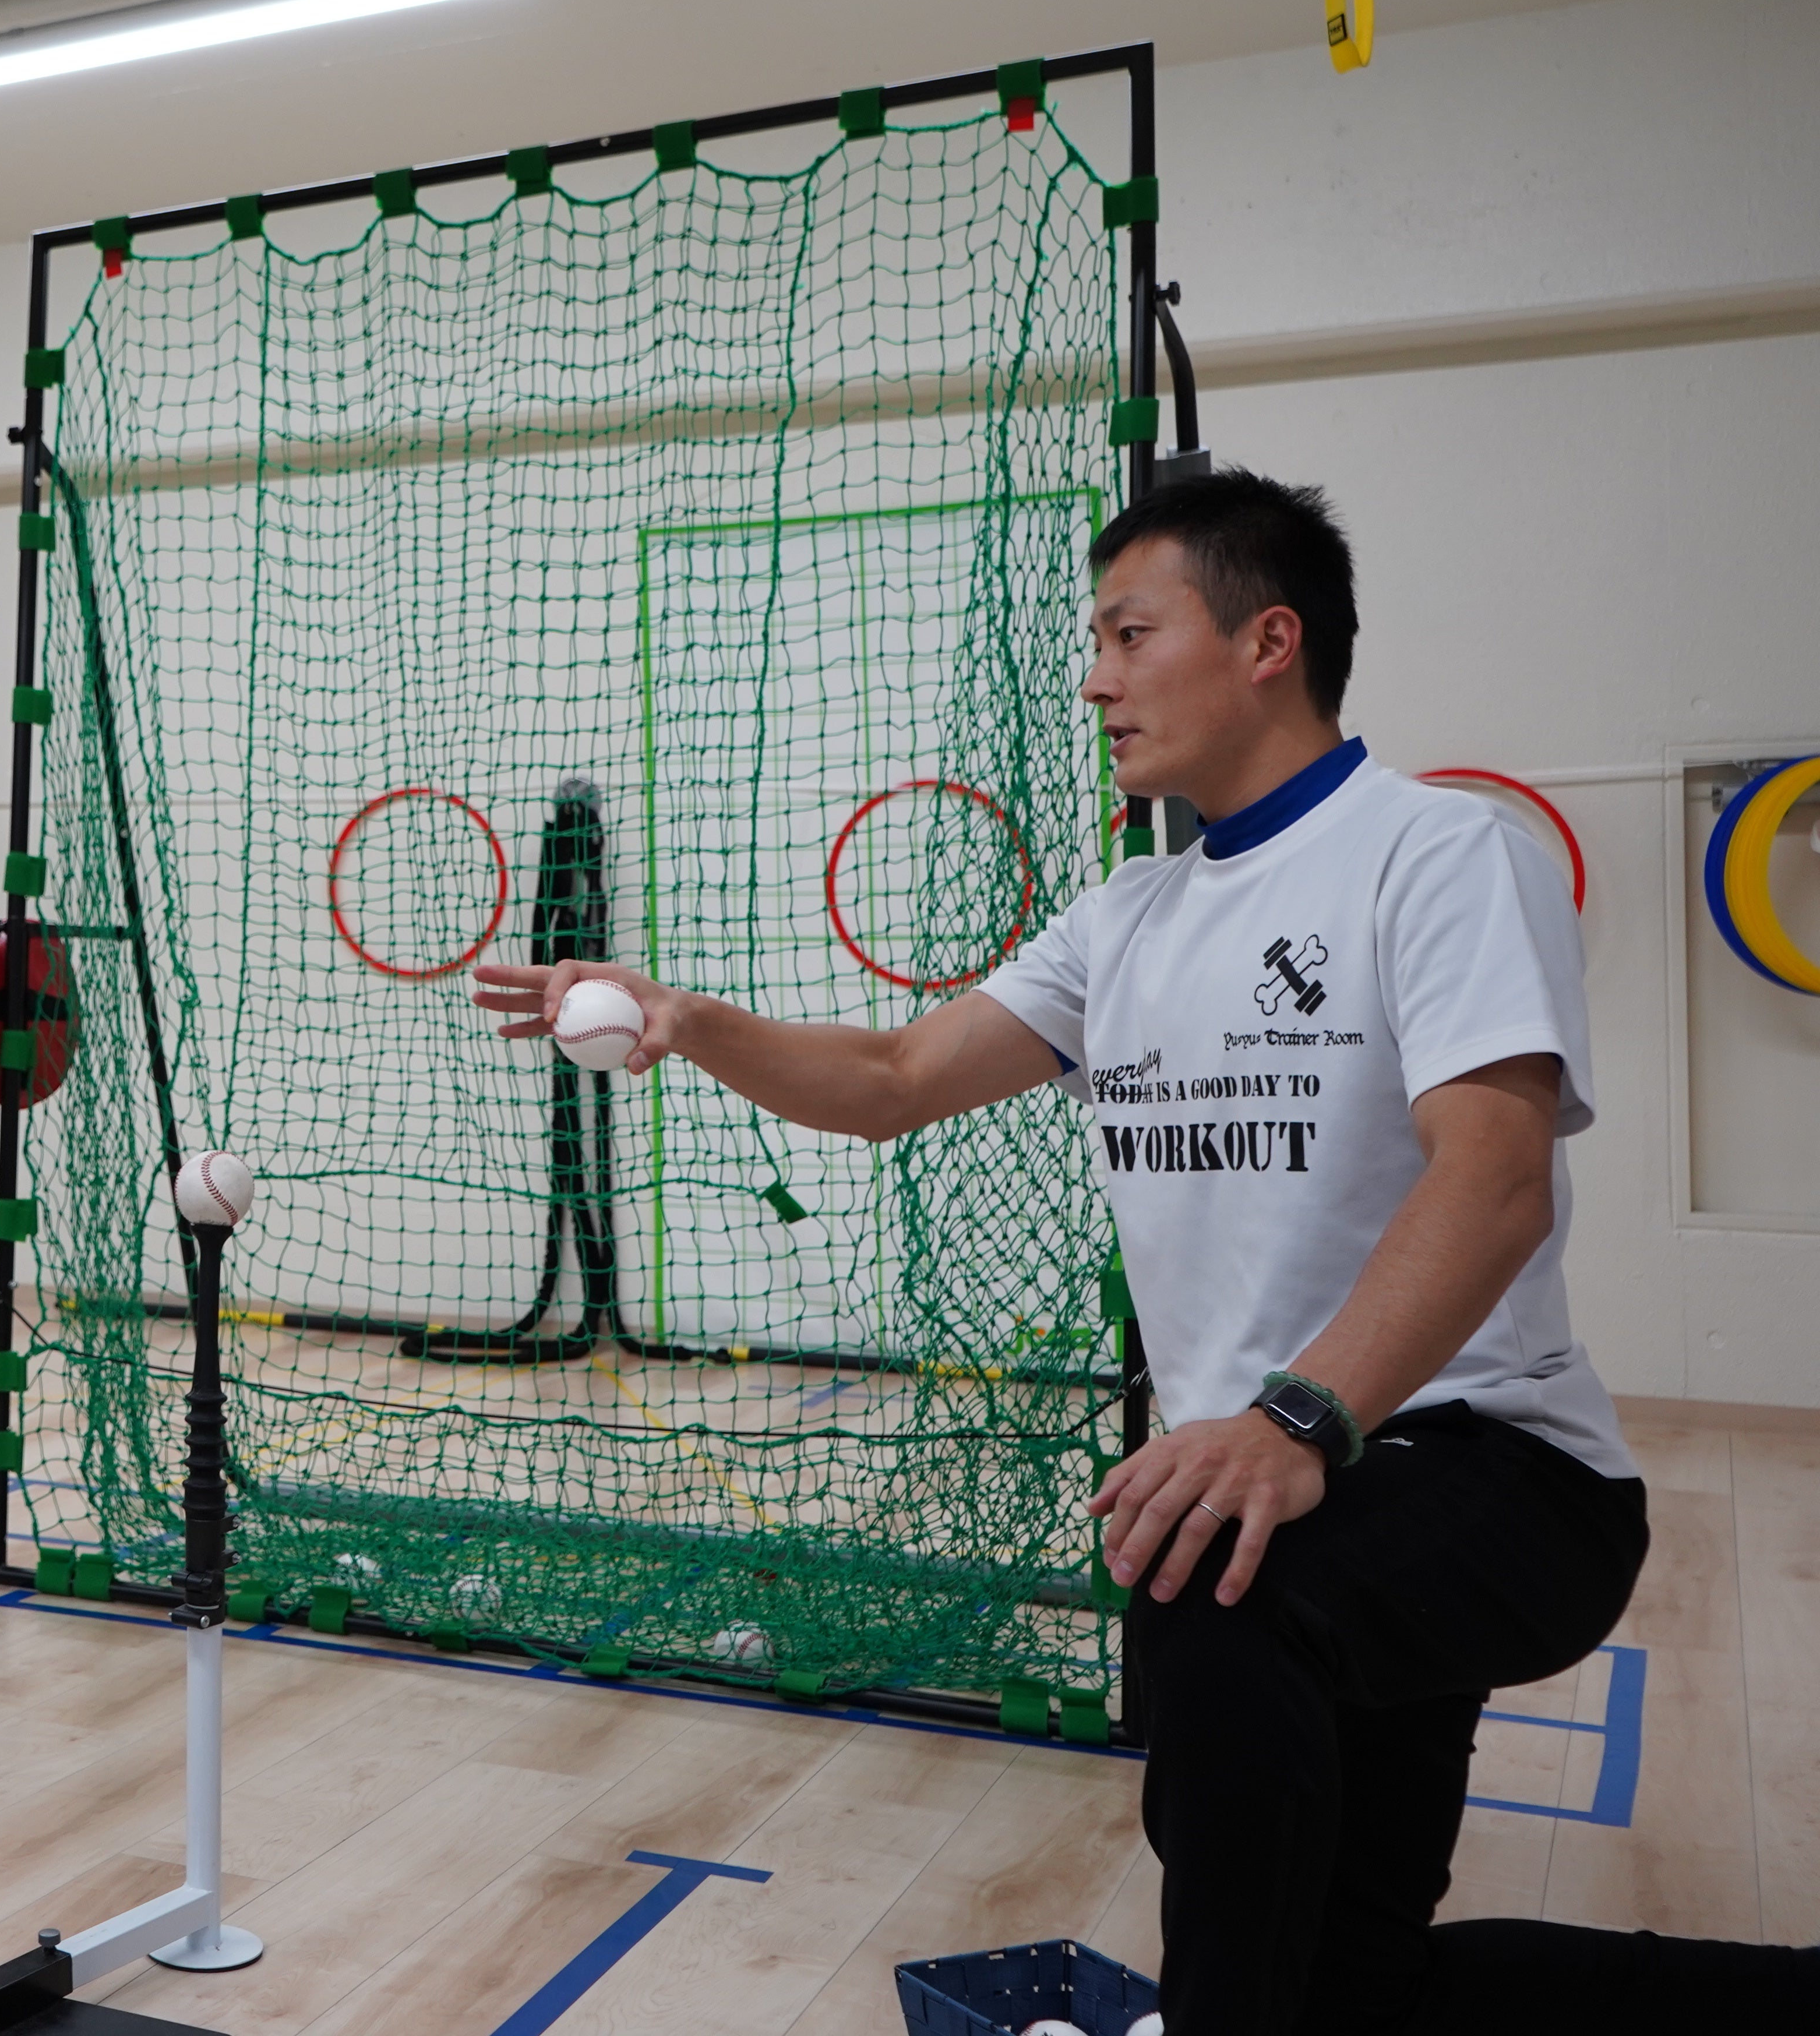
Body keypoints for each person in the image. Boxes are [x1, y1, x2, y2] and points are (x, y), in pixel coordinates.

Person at [474, 470, 1812, 2033]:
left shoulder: (1440, 854)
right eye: (1094, 644)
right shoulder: (1126, 918)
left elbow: (1496, 1180)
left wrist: (1293, 1421)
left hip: (1491, 1471)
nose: (1095, 681)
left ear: (1268, 642)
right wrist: (690, 1022)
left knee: (1211, 1590)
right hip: (1290, 1484)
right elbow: (894, 1080)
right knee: (1355, 1989)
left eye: (1130, 634)